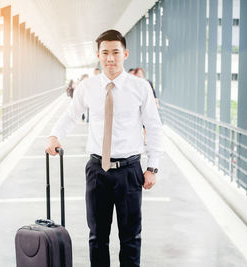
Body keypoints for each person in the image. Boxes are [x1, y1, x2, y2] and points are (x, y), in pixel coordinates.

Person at [45, 29, 164, 267]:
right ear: (98, 55)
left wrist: (152, 167)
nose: (110, 58)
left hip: (129, 171)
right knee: (97, 236)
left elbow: (153, 126)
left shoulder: (140, 88)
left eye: (116, 52)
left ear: (125, 54)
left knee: (131, 237)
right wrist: (54, 136)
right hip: (97, 170)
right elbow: (70, 116)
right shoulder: (87, 87)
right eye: (105, 53)